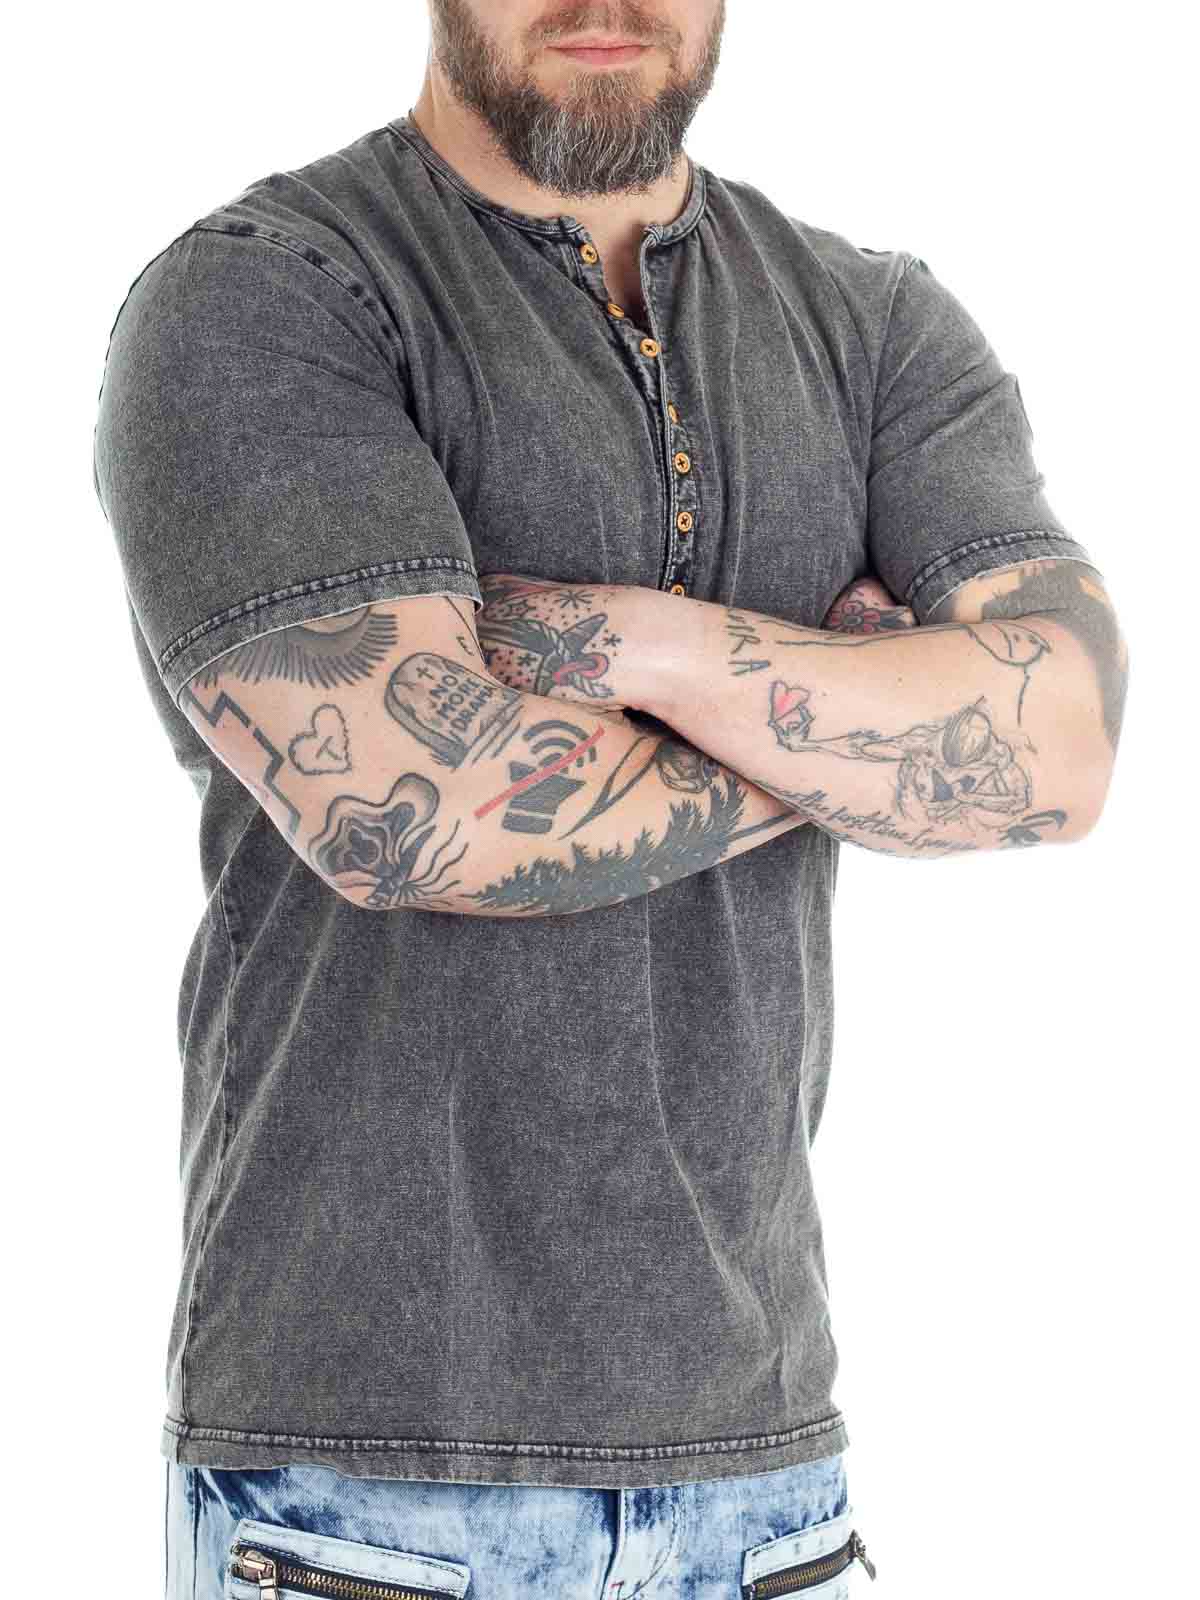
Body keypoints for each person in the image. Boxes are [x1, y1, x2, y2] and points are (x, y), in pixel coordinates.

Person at [91, 3, 1128, 1595]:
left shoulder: (874, 325)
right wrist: (859, 708)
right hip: (366, 1492)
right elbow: (414, 812)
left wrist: (653, 651)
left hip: (768, 1481)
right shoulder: (270, 294)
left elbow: (1062, 747)